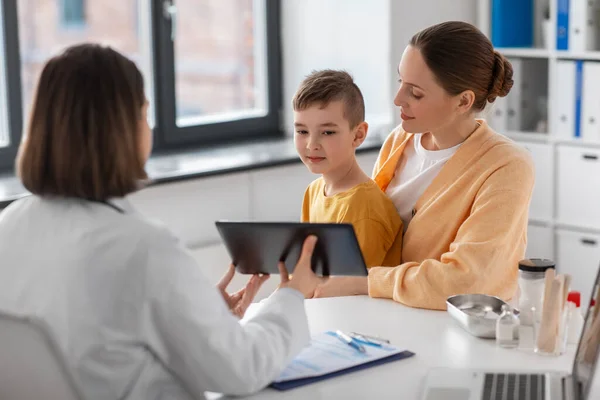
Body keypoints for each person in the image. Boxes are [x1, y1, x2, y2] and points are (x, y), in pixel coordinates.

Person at [0, 43, 324, 399]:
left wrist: (199, 315)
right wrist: (291, 296)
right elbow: (243, 369)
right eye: (144, 113)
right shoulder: (140, 248)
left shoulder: (9, 226)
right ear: (123, 130)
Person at [312, 21, 535, 310]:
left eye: (415, 93)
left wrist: (366, 281)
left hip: (447, 330)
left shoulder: (507, 166)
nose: (397, 99)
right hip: (384, 315)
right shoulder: (399, 141)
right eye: (400, 81)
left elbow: (467, 282)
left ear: (463, 101)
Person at [293, 69, 403, 268]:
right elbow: (305, 269)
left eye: (327, 132)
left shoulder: (364, 207)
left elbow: (349, 288)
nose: (311, 144)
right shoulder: (313, 192)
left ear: (358, 135)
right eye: (302, 131)